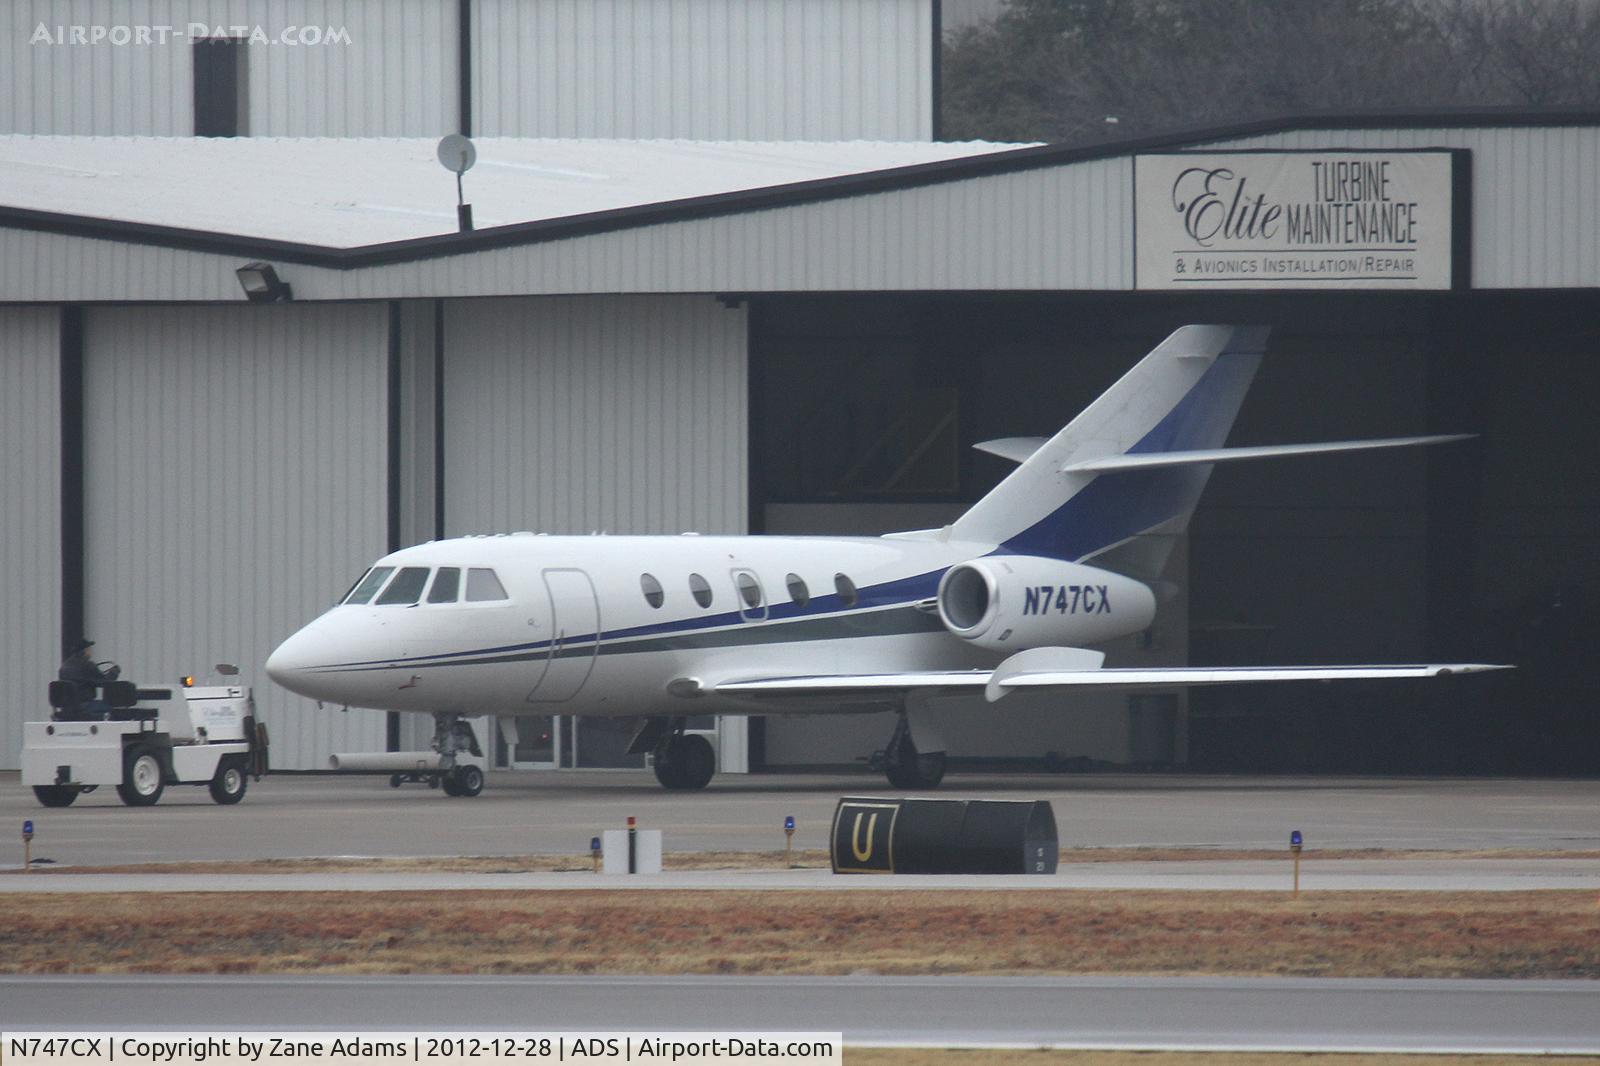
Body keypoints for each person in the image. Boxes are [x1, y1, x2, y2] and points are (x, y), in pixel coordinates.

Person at [57, 639, 119, 719]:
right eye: (89, 649)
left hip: (67, 708)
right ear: (85, 651)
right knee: (111, 709)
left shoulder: (64, 667)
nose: (90, 651)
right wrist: (114, 672)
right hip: (85, 706)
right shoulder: (88, 665)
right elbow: (105, 683)